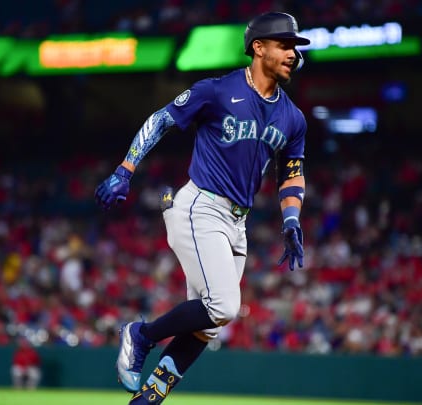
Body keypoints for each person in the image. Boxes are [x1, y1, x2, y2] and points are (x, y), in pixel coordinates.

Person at [95, 11, 310, 405]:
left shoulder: (292, 117)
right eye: (285, 45)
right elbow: (161, 120)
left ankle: (148, 398)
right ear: (258, 48)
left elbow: (291, 175)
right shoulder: (217, 90)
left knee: (208, 326)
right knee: (224, 306)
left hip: (237, 224)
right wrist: (126, 168)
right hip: (200, 206)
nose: (293, 53)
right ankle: (140, 335)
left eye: (295, 47)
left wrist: (292, 218)